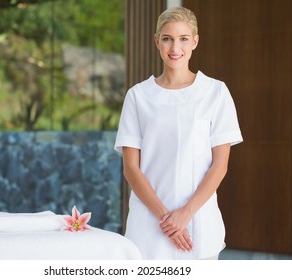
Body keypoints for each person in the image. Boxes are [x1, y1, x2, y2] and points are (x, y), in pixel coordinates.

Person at [114, 6, 243, 260]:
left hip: (199, 226)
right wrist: (166, 218)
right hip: (149, 227)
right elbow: (131, 168)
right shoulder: (138, 96)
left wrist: (185, 214)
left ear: (195, 41)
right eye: (167, 39)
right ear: (156, 41)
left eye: (183, 39)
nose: (175, 48)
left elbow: (220, 164)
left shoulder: (215, 93)